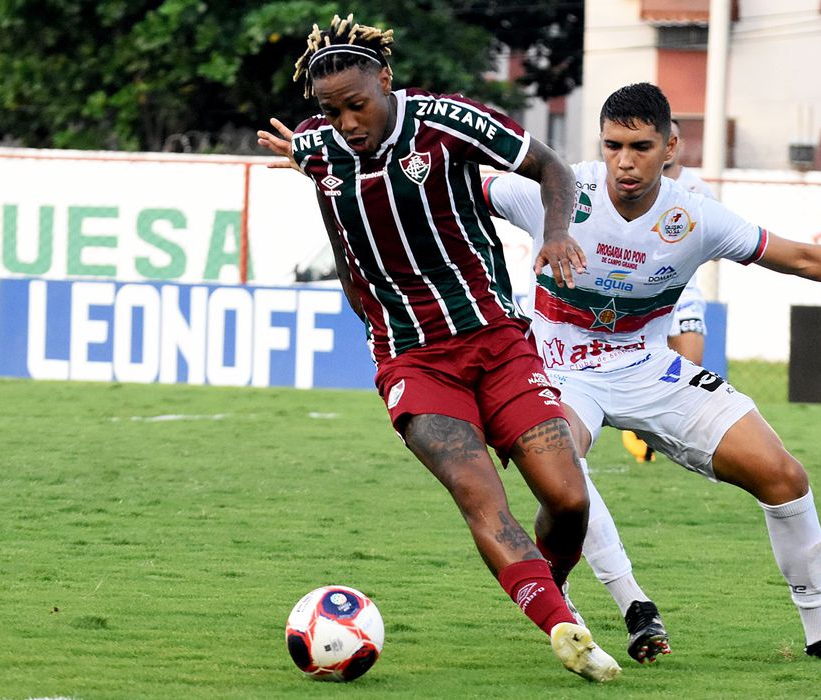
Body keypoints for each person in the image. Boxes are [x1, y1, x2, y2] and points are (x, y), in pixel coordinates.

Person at [482, 82, 821, 664]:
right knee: (562, 468)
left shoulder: (694, 216)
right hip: (560, 367)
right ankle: (622, 602)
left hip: (648, 366)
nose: (625, 160)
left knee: (783, 475)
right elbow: (453, 181)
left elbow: (802, 257)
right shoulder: (557, 191)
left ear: (671, 145)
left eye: (641, 146)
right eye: (613, 144)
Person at [255, 14, 620, 682]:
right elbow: (338, 229)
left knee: (568, 500)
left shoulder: (450, 122)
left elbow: (552, 167)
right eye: (330, 112)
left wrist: (559, 233)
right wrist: (366, 316)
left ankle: (548, 588)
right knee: (481, 497)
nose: (347, 123)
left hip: (497, 342)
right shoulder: (317, 148)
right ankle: (561, 625)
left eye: (357, 105)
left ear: (385, 80)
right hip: (414, 362)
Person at [622, 118, 710, 462]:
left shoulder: (696, 187)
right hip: (640, 290)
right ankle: (633, 424)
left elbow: (711, 239)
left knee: (690, 366)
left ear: (676, 144)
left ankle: (663, 432)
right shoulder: (630, 187)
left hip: (684, 289)